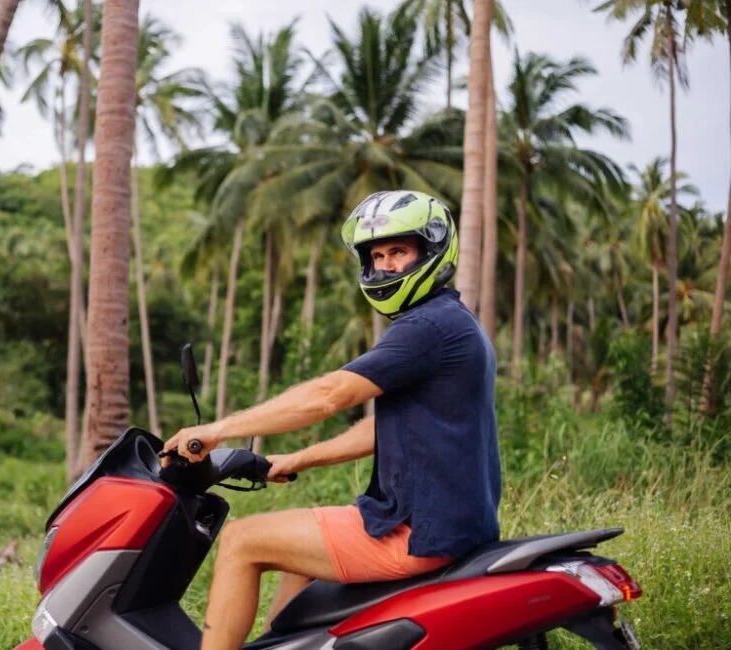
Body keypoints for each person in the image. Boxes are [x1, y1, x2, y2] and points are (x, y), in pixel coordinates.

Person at [161, 190, 501, 650]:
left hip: (419, 533)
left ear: (432, 251)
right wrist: (294, 459)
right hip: (440, 522)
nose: (386, 267)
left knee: (242, 540)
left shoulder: (427, 327)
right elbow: (381, 429)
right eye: (377, 256)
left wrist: (215, 430)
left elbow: (329, 396)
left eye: (399, 252)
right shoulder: (452, 320)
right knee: (300, 549)